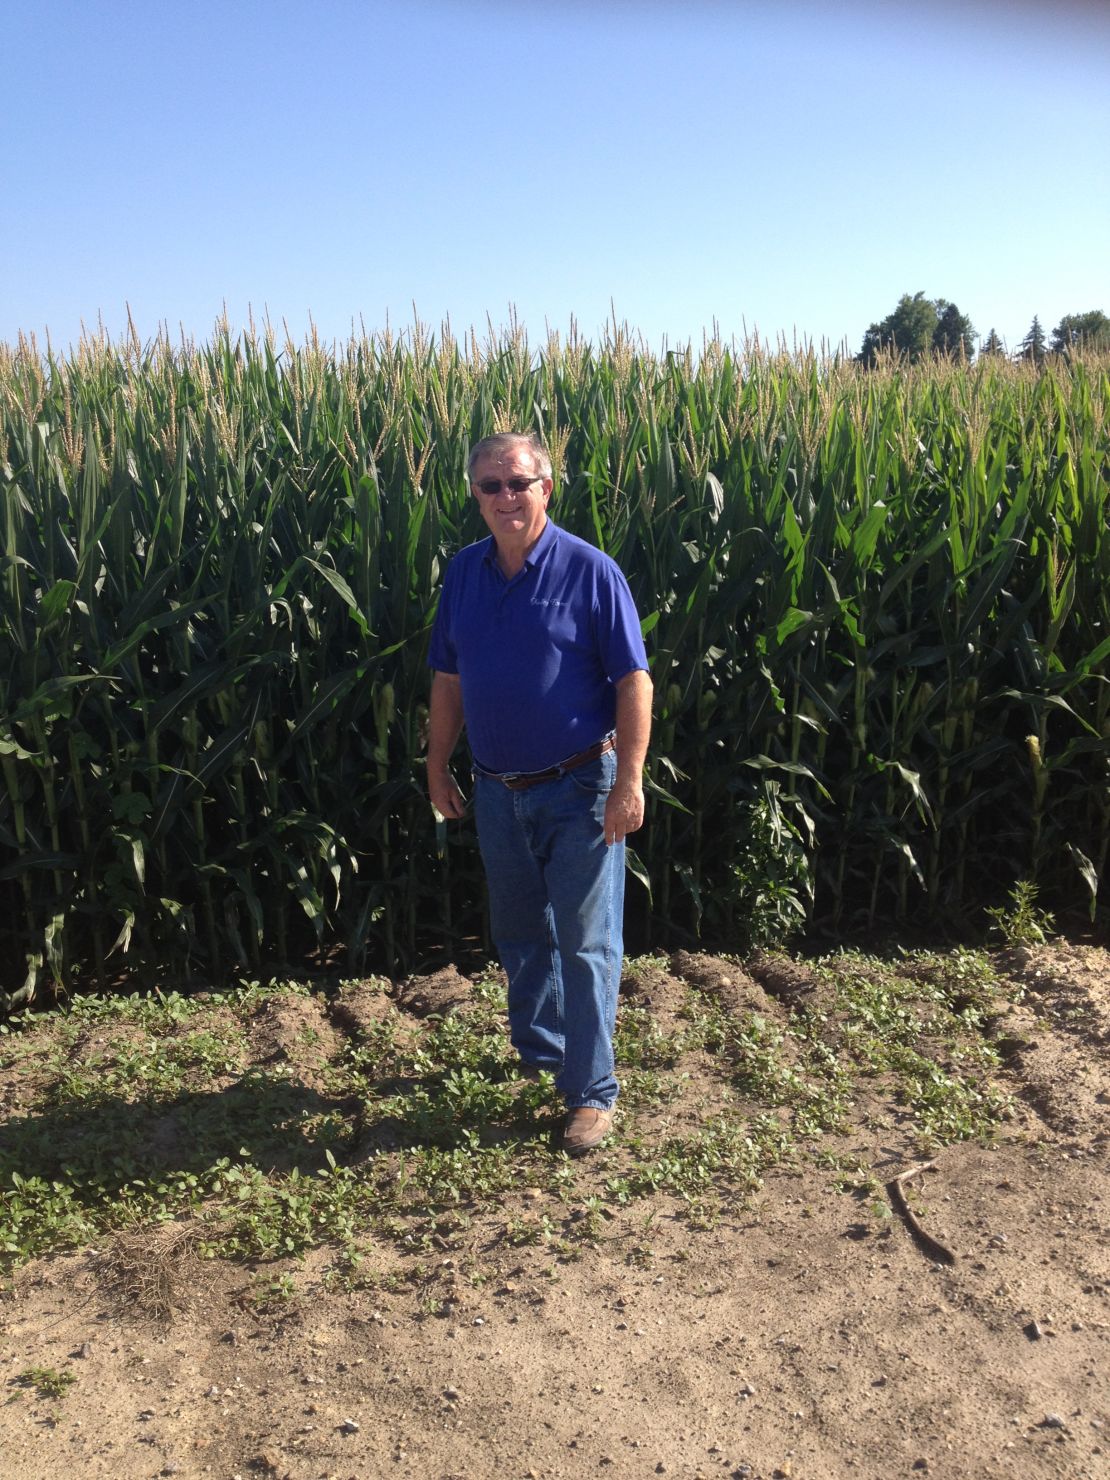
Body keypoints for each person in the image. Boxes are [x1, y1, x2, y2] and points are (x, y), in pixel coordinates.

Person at [426, 432, 652, 1155]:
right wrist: (437, 764)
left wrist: (630, 781)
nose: (505, 498)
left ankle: (591, 1095)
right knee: (522, 933)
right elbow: (449, 680)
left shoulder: (591, 572)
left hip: (582, 783)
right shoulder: (464, 574)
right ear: (475, 497)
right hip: (497, 789)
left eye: (518, 483)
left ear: (546, 488)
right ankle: (542, 1052)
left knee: (586, 944)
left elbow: (633, 682)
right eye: (489, 486)